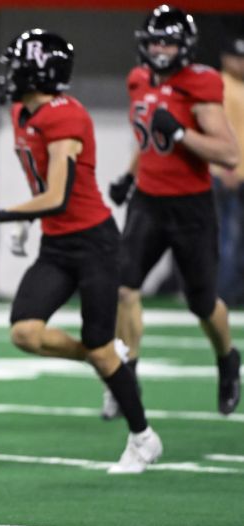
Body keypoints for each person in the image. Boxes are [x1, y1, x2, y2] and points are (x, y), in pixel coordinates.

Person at [0, 29, 163, 473]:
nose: (10, 72)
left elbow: (58, 196)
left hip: (94, 242)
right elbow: (41, 186)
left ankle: (143, 437)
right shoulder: (20, 110)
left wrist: (1, 216)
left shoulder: (65, 116)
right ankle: (111, 360)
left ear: (40, 71)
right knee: (25, 333)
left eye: (18, 64)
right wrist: (26, 220)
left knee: (99, 346)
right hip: (57, 242)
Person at [107, 5, 240, 417]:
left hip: (190, 207)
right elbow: (149, 139)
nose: (161, 49)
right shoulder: (137, 80)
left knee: (202, 304)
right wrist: (131, 175)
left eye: (168, 41)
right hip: (148, 200)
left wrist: (181, 133)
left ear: (185, 46)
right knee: (124, 287)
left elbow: (229, 153)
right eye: (155, 41)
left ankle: (227, 358)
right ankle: (126, 374)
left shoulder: (200, 83)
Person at [213, 35, 244, 307]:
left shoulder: (239, 87)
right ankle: (223, 293)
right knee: (227, 235)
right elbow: (220, 131)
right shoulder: (220, 87)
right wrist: (227, 166)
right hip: (228, 172)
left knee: (235, 235)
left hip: (240, 171)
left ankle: (233, 289)